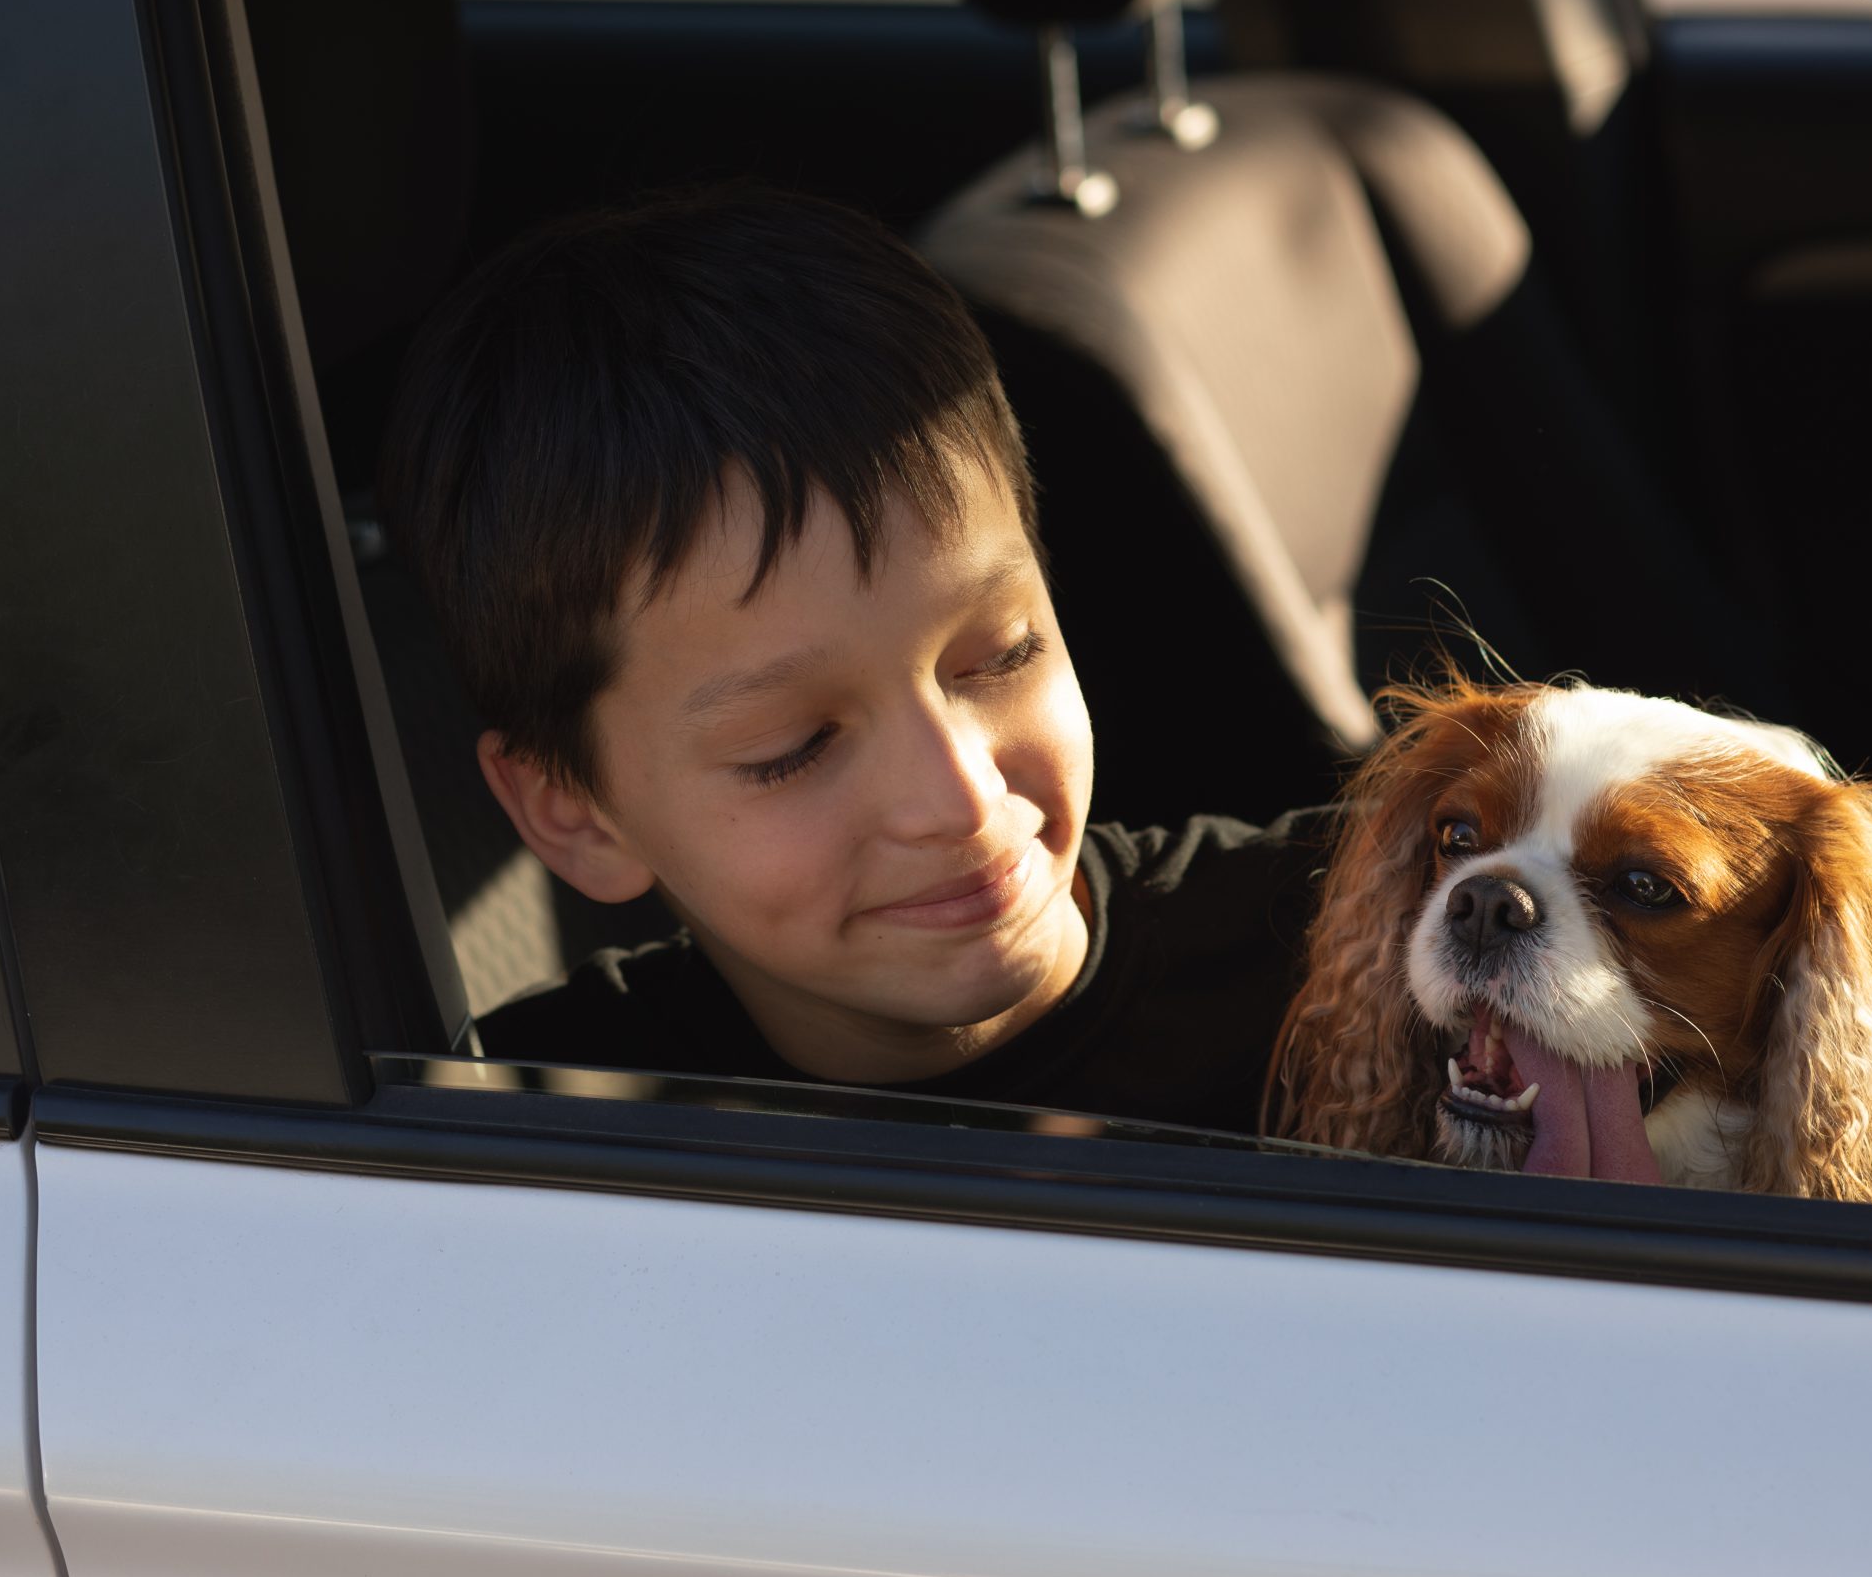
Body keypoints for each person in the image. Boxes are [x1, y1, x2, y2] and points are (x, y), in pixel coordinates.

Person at [380, 184, 1332, 1134]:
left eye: (1003, 654)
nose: (959, 797)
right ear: (575, 813)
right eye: (793, 746)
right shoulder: (517, 1140)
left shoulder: (1378, 947)